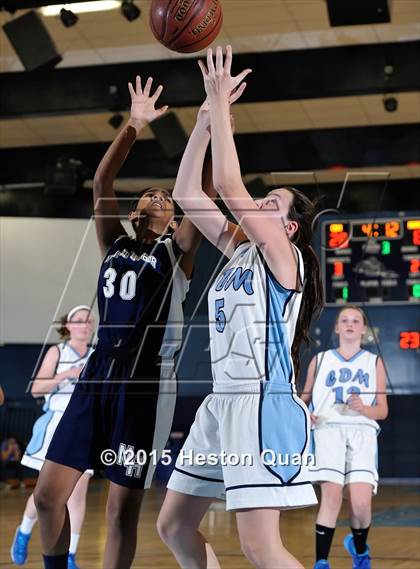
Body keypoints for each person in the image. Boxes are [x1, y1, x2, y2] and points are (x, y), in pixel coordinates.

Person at [33, 75, 219, 569]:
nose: (158, 196)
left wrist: (210, 122)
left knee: (120, 511)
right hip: (97, 376)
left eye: (166, 196)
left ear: (175, 217)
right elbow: (101, 182)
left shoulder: (177, 252)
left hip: (145, 385)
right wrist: (135, 125)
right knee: (49, 495)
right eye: (151, 193)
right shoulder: (114, 242)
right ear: (136, 211)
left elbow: (198, 191)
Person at [157, 45, 324, 569]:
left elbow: (228, 185)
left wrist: (221, 108)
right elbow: (188, 192)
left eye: (270, 203)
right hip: (221, 401)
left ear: (290, 227)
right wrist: (205, 121)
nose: (258, 205)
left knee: (259, 546)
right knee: (174, 526)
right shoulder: (241, 250)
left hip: (260, 404)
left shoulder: (284, 257)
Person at [301, 305, 388, 569]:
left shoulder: (374, 362)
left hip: (362, 431)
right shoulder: (320, 360)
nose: (350, 324)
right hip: (328, 430)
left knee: (361, 504)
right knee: (332, 496)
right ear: (337, 328)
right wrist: (306, 414)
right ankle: (321, 562)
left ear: (363, 329)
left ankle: (359, 548)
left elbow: (382, 411)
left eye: (356, 320)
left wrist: (365, 408)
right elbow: (304, 400)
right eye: (344, 320)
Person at [11, 306, 95, 569]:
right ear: (68, 326)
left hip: (84, 424)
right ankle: (24, 531)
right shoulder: (57, 352)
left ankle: (70, 555)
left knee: (77, 495)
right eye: (78, 321)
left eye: (88, 320)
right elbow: (36, 388)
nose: (84, 324)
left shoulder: (96, 356)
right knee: (45, 493)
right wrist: (66, 375)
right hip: (56, 423)